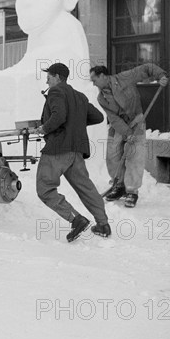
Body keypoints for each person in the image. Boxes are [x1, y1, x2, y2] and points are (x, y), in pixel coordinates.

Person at [35, 63, 110, 242]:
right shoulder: (80, 96)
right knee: (85, 187)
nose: (47, 79)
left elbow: (59, 116)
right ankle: (103, 224)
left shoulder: (55, 92)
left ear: (58, 78)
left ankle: (76, 219)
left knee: (44, 189)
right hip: (76, 152)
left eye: (50, 76)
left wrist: (44, 128)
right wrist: (75, 124)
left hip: (57, 150)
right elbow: (98, 117)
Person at [89, 63, 169, 208]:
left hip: (136, 120)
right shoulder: (101, 98)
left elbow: (147, 68)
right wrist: (127, 133)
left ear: (102, 76)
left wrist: (161, 75)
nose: (94, 84)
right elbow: (113, 118)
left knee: (134, 155)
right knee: (112, 155)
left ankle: (132, 191)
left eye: (94, 80)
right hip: (118, 125)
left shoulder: (125, 77)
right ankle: (119, 186)